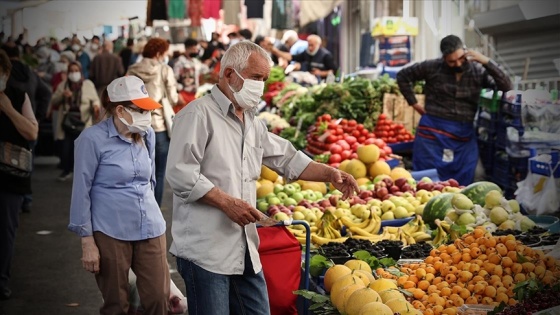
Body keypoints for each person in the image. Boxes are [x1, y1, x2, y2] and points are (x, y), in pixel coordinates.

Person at [165, 41, 359, 315]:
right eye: (256, 78)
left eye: (265, 79)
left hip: (244, 248)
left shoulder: (253, 123)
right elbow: (179, 172)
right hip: (205, 252)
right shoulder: (197, 115)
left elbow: (287, 158)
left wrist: (329, 173)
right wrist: (225, 202)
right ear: (230, 74)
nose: (261, 85)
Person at [68, 75, 170, 315]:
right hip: (110, 230)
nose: (148, 116)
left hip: (150, 227)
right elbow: (81, 191)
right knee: (117, 304)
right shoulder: (92, 139)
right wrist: (87, 241)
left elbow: (151, 181)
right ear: (121, 110)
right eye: (141, 110)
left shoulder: (148, 135)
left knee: (158, 299)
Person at [396, 35, 512, 185]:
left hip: (463, 132)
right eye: (452, 61)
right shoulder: (432, 67)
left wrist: (486, 61)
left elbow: (506, 87)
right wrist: (414, 103)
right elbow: (403, 76)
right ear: (444, 58)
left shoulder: (478, 70)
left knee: (465, 175)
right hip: (432, 130)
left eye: (461, 58)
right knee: (426, 178)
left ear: (465, 52)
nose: (458, 63)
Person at [0, 49, 39, 300]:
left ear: (6, 73)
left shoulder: (16, 95)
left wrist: (8, 110)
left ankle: (1, 280)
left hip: (9, 177)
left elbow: (32, 132)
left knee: (5, 231)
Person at [127, 37, 178, 207]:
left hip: (135, 126)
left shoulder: (132, 70)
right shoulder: (165, 70)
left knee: (136, 170)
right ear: (158, 53)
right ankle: (153, 208)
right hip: (159, 127)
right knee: (159, 172)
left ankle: (137, 205)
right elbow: (173, 97)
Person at [2, 42, 52, 213]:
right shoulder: (31, 73)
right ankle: (26, 199)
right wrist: (38, 116)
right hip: (27, 124)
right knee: (26, 162)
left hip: (20, 127)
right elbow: (46, 93)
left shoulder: (12, 92)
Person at [49, 61, 100, 181]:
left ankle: (83, 173)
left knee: (83, 150)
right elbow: (53, 101)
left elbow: (95, 99)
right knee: (66, 149)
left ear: (81, 72)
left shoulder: (88, 84)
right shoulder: (63, 85)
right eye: (71, 71)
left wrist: (96, 107)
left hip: (83, 121)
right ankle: (67, 170)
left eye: (76, 71)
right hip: (67, 122)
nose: (74, 73)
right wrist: (63, 96)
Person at [173, 38, 209, 112]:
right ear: (187, 49)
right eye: (194, 49)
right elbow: (173, 80)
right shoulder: (179, 63)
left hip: (194, 94)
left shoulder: (196, 62)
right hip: (183, 94)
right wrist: (177, 93)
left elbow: (205, 70)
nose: (196, 51)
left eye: (196, 49)